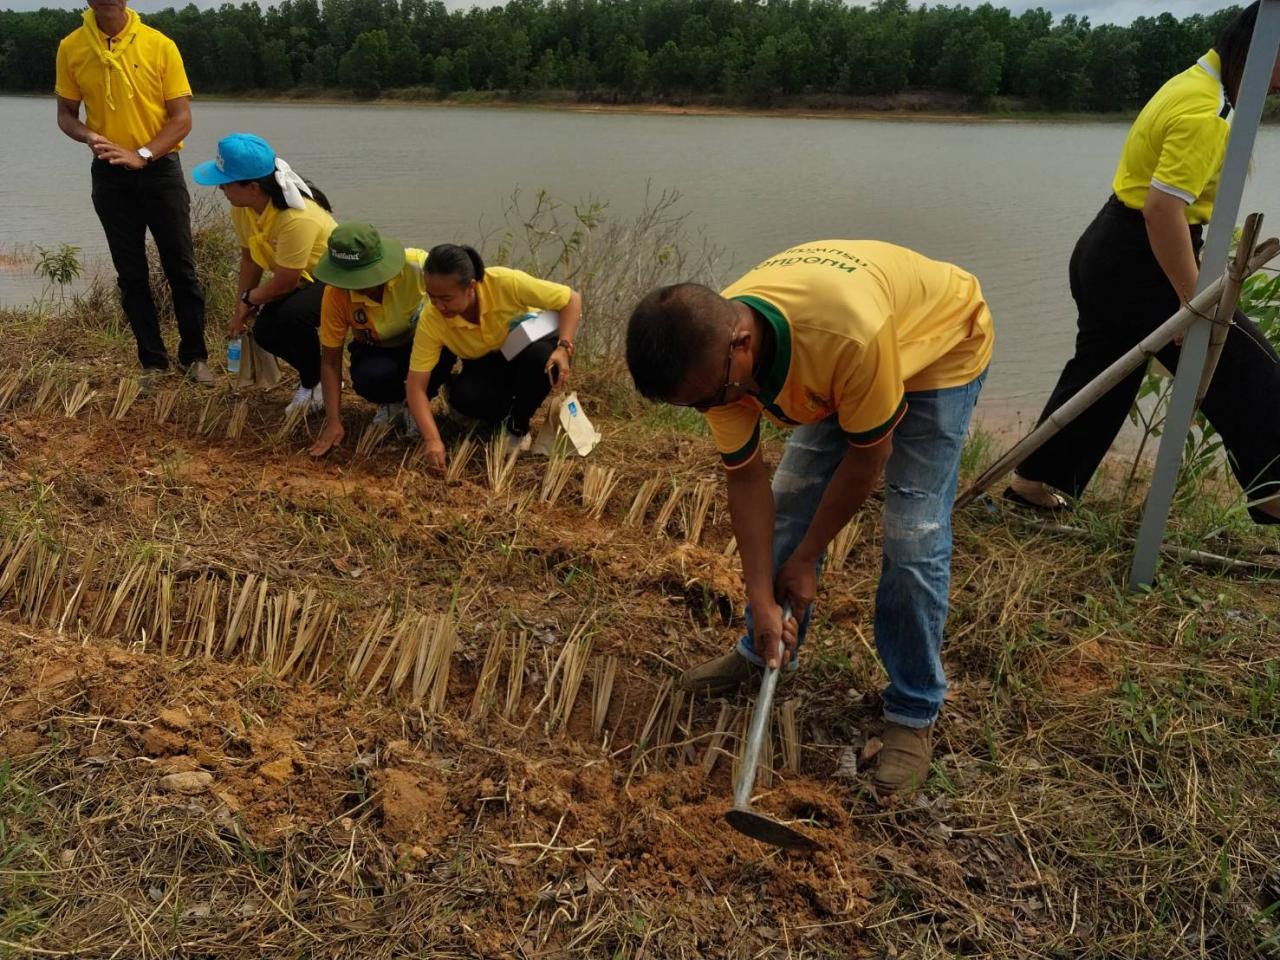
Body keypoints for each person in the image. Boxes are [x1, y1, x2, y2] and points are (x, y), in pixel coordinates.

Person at [625, 240, 993, 796]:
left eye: (710, 399)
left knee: (913, 536)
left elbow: (869, 455)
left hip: (938, 346)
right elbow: (746, 482)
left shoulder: (844, 337)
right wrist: (760, 596)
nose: (710, 411)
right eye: (695, 406)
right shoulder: (714, 358)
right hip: (841, 359)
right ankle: (761, 649)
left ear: (742, 344)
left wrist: (806, 558)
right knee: (790, 498)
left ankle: (914, 709)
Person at [1010, 1, 1280, 524]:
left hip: (1108, 248)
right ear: (1261, 46)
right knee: (1252, 371)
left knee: (1104, 373)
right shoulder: (1209, 112)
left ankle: (1034, 481)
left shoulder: (1193, 82)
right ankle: (1273, 493)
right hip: (1141, 258)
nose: (1278, 88)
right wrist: (1195, 301)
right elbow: (1162, 210)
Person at [55, 0, 210, 386]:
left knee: (181, 267)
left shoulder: (160, 44)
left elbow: (182, 118)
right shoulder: (71, 47)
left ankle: (195, 357)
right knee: (131, 273)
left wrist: (142, 154)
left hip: (160, 170)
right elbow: (66, 114)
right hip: (109, 174)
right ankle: (152, 363)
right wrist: (90, 136)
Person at [192, 133, 337, 418]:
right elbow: (250, 259)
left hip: (335, 282)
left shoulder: (296, 218)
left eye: (225, 182)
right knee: (266, 332)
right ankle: (319, 375)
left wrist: (251, 299)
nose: (220, 188)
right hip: (301, 281)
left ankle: (315, 383)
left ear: (254, 187)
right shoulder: (244, 209)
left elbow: (286, 282)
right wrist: (239, 309)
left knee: (290, 316)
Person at [405, 244, 582, 472]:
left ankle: (517, 427)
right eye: (431, 296)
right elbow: (415, 386)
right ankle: (499, 413)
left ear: (470, 287)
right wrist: (432, 440)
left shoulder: (505, 282)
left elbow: (571, 300)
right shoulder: (432, 317)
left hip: (526, 351)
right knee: (467, 398)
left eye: (446, 298)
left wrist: (564, 347)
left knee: (543, 360)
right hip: (483, 363)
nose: (438, 306)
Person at [308, 222, 427, 457]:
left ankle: (419, 404)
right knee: (371, 376)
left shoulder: (418, 267)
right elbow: (330, 361)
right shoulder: (335, 294)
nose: (356, 286)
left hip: (423, 346)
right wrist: (333, 421)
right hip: (379, 348)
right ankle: (392, 403)